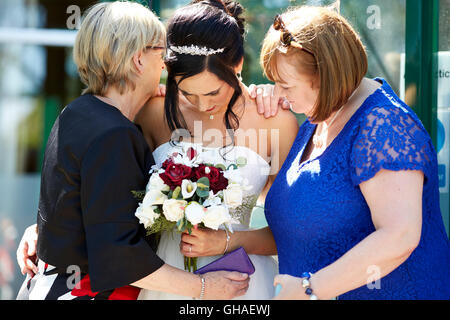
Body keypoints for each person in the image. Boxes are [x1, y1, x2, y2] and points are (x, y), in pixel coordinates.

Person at [15, 1, 250, 300]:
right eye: (160, 51)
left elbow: (75, 205)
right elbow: (118, 254)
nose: (165, 63)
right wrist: (203, 288)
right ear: (139, 59)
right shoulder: (115, 134)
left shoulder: (77, 112)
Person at [261, 6, 450, 299]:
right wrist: (225, 242)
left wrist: (309, 290)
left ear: (327, 75)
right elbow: (302, 228)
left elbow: (399, 236)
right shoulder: (318, 120)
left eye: (285, 85)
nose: (277, 95)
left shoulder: (384, 125)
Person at [135, 0, 299, 300]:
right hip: (167, 282)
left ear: (237, 66)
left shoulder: (275, 121)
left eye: (213, 92)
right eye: (186, 92)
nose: (202, 104)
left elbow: (291, 235)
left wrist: (224, 241)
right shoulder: (152, 111)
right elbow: (105, 197)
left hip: (242, 286)